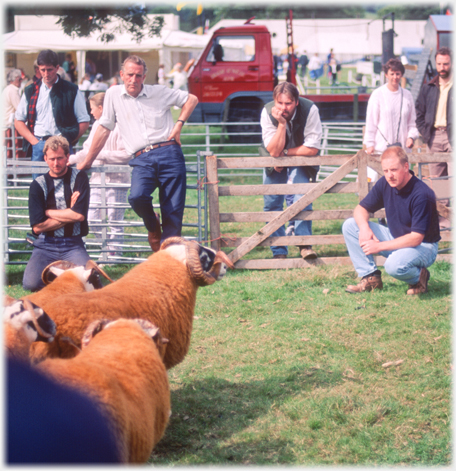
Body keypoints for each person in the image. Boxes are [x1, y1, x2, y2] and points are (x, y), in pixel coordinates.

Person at [76, 55, 198, 252]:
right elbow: (104, 128)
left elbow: (191, 99)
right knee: (137, 197)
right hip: (141, 157)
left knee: (173, 211)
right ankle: (152, 225)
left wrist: (179, 124)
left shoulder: (158, 91)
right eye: (130, 75)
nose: (134, 80)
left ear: (145, 76)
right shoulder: (113, 94)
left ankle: (166, 261)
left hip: (169, 152)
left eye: (139, 76)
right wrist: (88, 160)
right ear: (122, 75)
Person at [342, 146, 440, 295]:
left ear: (406, 167)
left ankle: (419, 277)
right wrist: (364, 228)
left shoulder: (422, 194)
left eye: (394, 170)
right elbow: (360, 209)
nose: (389, 175)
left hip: (424, 246)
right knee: (351, 225)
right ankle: (370, 278)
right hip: (396, 237)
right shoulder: (385, 183)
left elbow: (416, 238)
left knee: (393, 266)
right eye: (386, 170)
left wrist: (379, 246)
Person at [260, 81, 322, 260]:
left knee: (301, 196)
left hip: (301, 158)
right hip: (275, 157)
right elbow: (272, 150)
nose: (283, 107)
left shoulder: (310, 109)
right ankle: (278, 251)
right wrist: (281, 123)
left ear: (296, 101)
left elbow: (312, 148)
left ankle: (304, 245)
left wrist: (285, 154)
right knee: (272, 202)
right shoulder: (266, 112)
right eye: (279, 103)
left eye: (288, 103)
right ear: (274, 101)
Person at [22, 136, 92, 292]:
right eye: (52, 158)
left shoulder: (79, 177)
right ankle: (61, 278)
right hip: (45, 244)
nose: (56, 163)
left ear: (67, 157)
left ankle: (61, 276)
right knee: (30, 284)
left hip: (73, 244)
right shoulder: (38, 185)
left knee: (91, 280)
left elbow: (80, 216)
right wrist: (69, 210)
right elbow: (38, 227)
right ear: (45, 158)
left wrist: (47, 212)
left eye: (60, 158)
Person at [69, 92, 130, 257]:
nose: (91, 112)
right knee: (93, 217)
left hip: (117, 181)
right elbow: (88, 150)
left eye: (92, 108)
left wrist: (100, 155)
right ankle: (108, 246)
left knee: (114, 218)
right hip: (97, 180)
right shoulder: (96, 125)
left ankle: (114, 254)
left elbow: (127, 155)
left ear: (102, 108)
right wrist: (71, 159)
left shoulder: (122, 126)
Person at [14, 49, 90, 179]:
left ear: (57, 68)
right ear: (38, 69)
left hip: (62, 143)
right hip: (39, 144)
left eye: (49, 69)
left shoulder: (71, 90)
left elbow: (84, 120)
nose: (46, 74)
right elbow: (18, 120)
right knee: (39, 187)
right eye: (42, 70)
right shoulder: (30, 90)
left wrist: (68, 141)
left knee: (65, 187)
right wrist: (34, 142)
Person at [364, 58, 420, 182]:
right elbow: (371, 122)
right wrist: (369, 144)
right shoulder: (377, 94)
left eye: (398, 74)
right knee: (377, 183)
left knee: (401, 183)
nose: (395, 77)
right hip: (380, 149)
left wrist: (411, 137)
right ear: (386, 75)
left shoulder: (407, 95)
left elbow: (412, 123)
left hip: (401, 151)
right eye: (392, 74)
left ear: (401, 75)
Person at [415, 47, 452, 227]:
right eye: (439, 64)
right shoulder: (429, 87)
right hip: (434, 136)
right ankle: (445, 220)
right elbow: (419, 112)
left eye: (445, 63)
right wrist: (425, 132)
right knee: (438, 180)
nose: (442, 67)